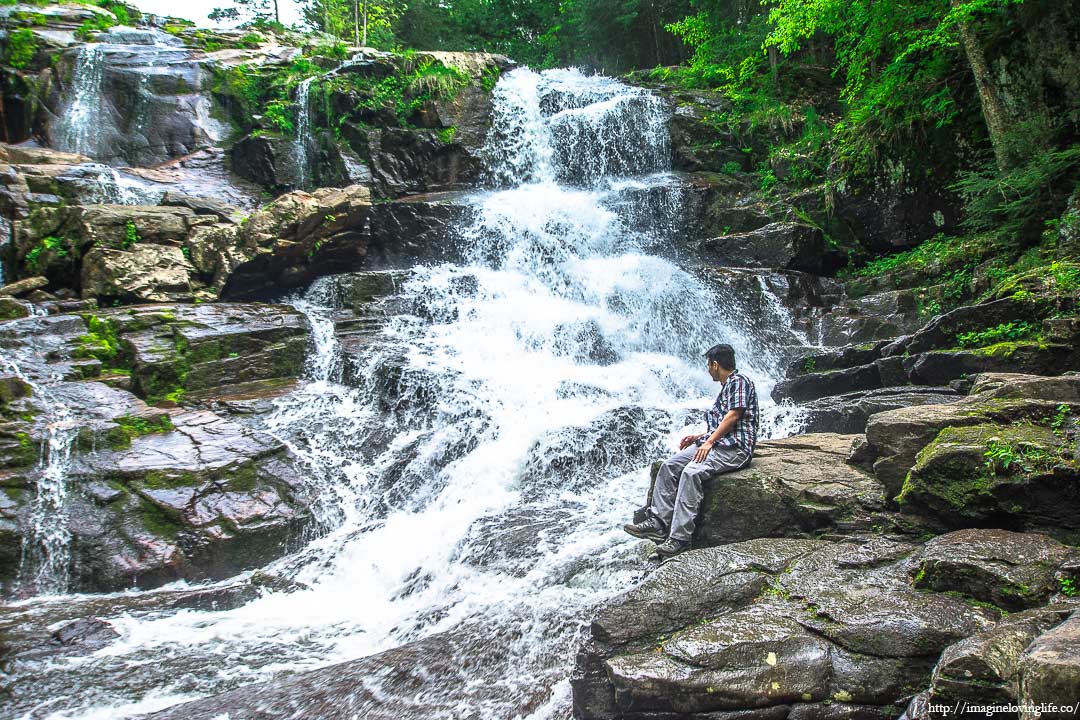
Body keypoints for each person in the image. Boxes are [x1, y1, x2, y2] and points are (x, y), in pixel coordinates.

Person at [623, 343, 759, 559]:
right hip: (717, 443)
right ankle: (658, 523)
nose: (707, 369)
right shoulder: (728, 386)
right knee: (669, 466)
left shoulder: (739, 381)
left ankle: (679, 538)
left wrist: (708, 442)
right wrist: (700, 437)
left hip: (734, 449)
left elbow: (734, 416)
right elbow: (724, 421)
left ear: (715, 365)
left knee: (691, 472)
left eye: (708, 365)